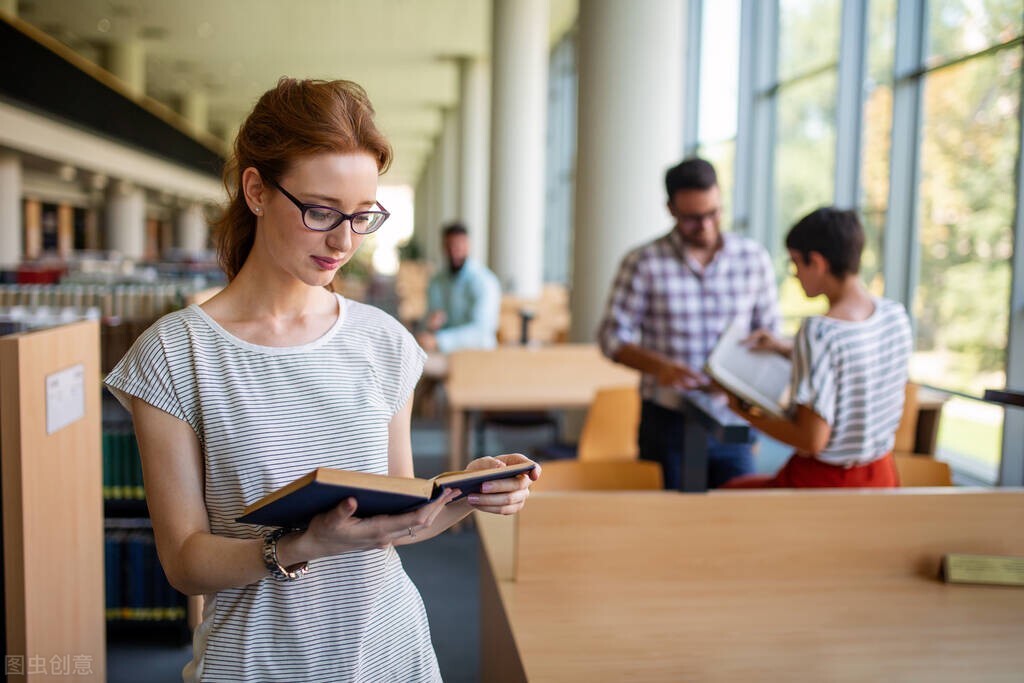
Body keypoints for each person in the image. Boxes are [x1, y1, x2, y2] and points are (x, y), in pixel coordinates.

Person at [104, 78, 539, 682]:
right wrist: (302, 546)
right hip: (257, 663)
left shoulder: (383, 342)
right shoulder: (177, 354)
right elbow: (184, 562)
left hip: (390, 653)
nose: (344, 241)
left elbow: (397, 522)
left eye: (362, 217)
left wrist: (469, 494)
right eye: (320, 212)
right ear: (256, 190)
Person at [597, 157, 780, 490]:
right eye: (693, 219)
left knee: (738, 522)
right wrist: (660, 367)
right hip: (669, 422)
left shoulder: (753, 259)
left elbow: (769, 336)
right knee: (671, 528)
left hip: (733, 418)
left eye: (713, 213)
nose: (706, 226)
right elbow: (610, 337)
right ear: (671, 209)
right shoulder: (643, 262)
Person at [721, 207, 912, 488]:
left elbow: (811, 441)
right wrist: (785, 347)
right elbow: (855, 364)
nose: (795, 275)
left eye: (796, 263)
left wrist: (743, 412)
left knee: (728, 494)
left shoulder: (820, 332)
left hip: (827, 482)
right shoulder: (895, 315)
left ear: (818, 262)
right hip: (881, 475)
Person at [415, 222, 501, 354]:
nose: (453, 251)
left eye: (458, 245)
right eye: (449, 245)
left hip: (479, 356)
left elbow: (482, 331)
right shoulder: (437, 281)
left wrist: (439, 340)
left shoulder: (484, 281)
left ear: (467, 245)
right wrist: (430, 325)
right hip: (445, 356)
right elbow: (430, 320)